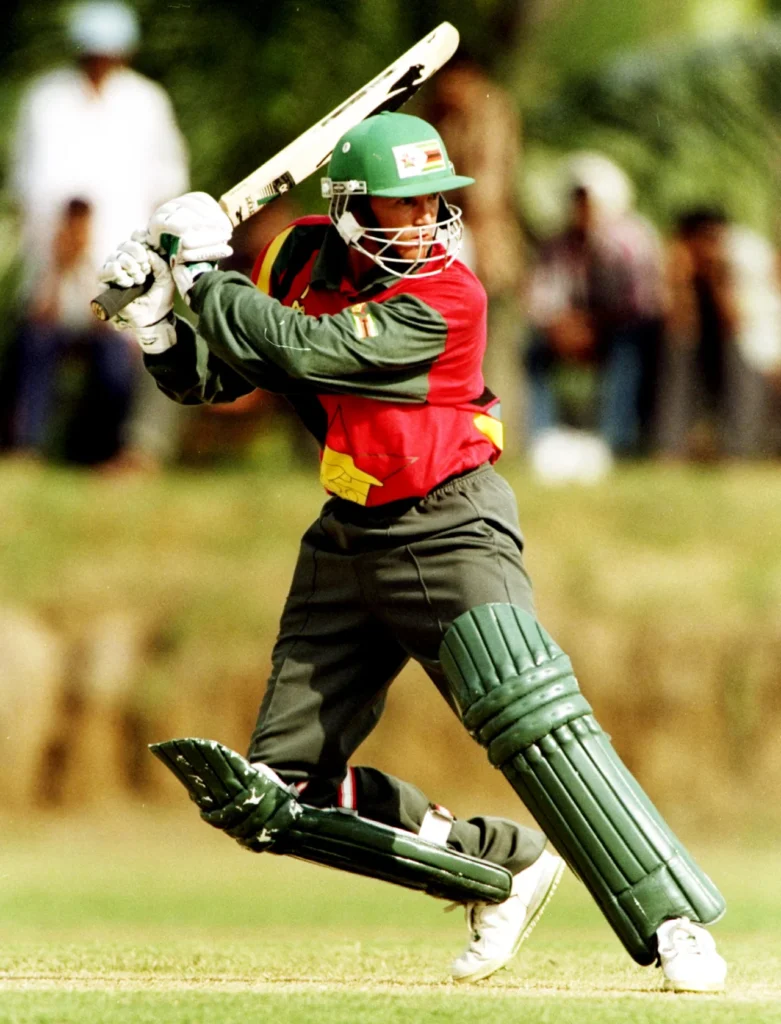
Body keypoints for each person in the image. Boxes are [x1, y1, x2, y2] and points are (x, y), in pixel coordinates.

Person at [98, 112, 727, 992]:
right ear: (349, 210)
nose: (423, 222)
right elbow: (226, 375)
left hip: (450, 522)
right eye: (400, 207)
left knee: (530, 720)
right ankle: (494, 866)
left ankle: (673, 924)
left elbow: (301, 346)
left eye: (434, 203)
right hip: (346, 533)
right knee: (274, 797)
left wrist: (201, 272)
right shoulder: (297, 260)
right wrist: (161, 320)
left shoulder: (449, 297)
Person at [8, 0, 189, 467]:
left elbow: (165, 186)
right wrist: (53, 260)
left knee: (120, 354)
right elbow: (30, 184)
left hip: (121, 254)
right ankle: (25, 447)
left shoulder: (146, 103)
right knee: (37, 342)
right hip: (53, 256)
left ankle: (114, 453)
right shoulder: (45, 100)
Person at [525, 154, 664, 458]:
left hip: (621, 328)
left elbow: (639, 302)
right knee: (534, 348)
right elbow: (541, 297)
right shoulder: (558, 244)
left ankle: (616, 440)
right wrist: (559, 326)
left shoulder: (632, 241)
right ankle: (540, 437)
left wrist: (594, 325)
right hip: (575, 329)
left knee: (628, 348)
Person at [656, 208, 775, 460]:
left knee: (737, 351)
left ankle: (740, 448)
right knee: (678, 345)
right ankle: (671, 446)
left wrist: (717, 278)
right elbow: (677, 323)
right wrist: (682, 284)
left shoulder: (744, 256)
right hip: (709, 348)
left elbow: (737, 321)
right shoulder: (680, 261)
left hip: (757, 343)